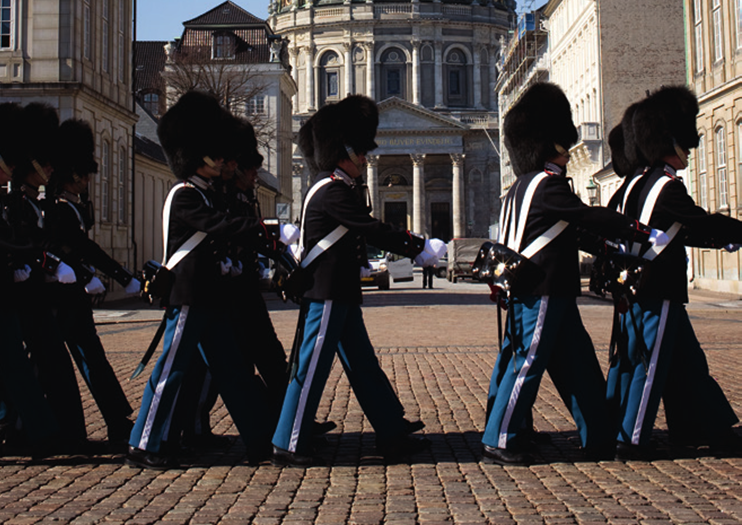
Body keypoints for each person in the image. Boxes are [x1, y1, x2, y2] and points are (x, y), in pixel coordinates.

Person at [481, 82, 664, 465]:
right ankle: (501, 437)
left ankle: (598, 434)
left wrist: (606, 247)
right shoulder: (547, 186)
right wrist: (636, 230)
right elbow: (586, 215)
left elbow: (570, 231)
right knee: (527, 363)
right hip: (541, 289)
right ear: (552, 144)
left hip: (553, 290)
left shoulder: (522, 187)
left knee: (579, 368)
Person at [271, 95, 436, 467]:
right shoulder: (332, 190)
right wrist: (419, 246)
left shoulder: (336, 186)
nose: (365, 159)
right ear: (344, 151)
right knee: (311, 367)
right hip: (328, 293)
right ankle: (288, 440)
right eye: (360, 152)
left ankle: (391, 431)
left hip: (340, 291)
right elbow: (370, 229)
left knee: (363, 366)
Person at [126, 91, 277, 470]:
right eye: (217, 154)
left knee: (233, 372)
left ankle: (262, 440)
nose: (225, 161)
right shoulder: (184, 195)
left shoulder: (207, 194)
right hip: (189, 295)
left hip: (211, 296)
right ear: (198, 155)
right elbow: (219, 227)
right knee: (170, 371)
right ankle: (144, 444)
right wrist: (262, 228)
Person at [606, 86, 742, 460]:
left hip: (639, 288)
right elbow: (698, 222)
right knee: (649, 368)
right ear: (670, 141)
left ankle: (705, 428)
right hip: (658, 288)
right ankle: (631, 439)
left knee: (688, 365)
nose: (689, 148)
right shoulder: (665, 186)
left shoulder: (636, 184)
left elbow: (684, 229)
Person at [45, 118, 140, 447]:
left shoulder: (69, 207)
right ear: (74, 176)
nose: (88, 182)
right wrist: (100, 275)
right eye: (84, 176)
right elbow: (76, 249)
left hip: (72, 299)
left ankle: (114, 419)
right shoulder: (58, 209)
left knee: (92, 360)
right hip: (59, 300)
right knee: (64, 365)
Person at [3, 103, 89, 451]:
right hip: (14, 294)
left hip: (35, 293)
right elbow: (16, 244)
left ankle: (55, 431)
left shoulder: (34, 204)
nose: (50, 167)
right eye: (44, 161)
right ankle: (16, 426)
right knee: (6, 369)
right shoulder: (12, 204)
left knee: (44, 364)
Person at [0, 103, 61, 456]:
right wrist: (34, 256)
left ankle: (42, 432)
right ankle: (37, 430)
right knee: (6, 366)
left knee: (12, 365)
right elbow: (2, 238)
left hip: (0, 292)